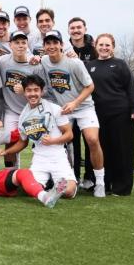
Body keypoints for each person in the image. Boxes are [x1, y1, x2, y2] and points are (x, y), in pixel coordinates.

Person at [36, 30, 106, 197]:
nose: (52, 46)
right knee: (61, 143)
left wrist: (75, 103)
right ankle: (65, 179)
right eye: (48, 43)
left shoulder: (74, 63)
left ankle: (100, 182)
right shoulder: (44, 62)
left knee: (92, 139)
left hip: (83, 106)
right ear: (44, 46)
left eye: (55, 42)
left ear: (61, 44)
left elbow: (90, 86)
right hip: (63, 109)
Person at [86, 33, 134, 196]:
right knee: (103, 150)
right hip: (98, 114)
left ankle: (122, 187)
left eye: (107, 45)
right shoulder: (89, 66)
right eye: (101, 45)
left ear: (113, 47)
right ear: (96, 46)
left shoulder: (120, 64)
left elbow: (130, 86)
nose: (104, 48)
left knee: (123, 150)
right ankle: (105, 184)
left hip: (121, 114)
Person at [10, 75, 78, 202]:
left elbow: (69, 135)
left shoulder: (55, 109)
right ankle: (47, 192)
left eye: (36, 90)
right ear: (24, 92)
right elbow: (23, 142)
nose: (33, 94)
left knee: (68, 191)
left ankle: (58, 189)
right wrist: (6, 152)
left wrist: (53, 141)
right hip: (39, 159)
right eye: (29, 90)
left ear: (42, 91)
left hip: (58, 157)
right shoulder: (23, 117)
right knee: (28, 190)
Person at [0, 30, 39, 167]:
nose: (20, 45)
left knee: (41, 143)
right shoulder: (2, 61)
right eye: (17, 42)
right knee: (10, 143)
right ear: (10, 45)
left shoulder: (35, 64)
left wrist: (26, 91)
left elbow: (44, 91)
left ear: (27, 44)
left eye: (23, 42)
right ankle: (11, 175)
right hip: (11, 110)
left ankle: (42, 174)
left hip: (32, 110)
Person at [65, 16, 97, 189]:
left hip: (88, 102)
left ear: (85, 29)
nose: (76, 30)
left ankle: (90, 177)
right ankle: (74, 176)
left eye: (79, 27)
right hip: (70, 102)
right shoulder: (64, 48)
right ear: (68, 31)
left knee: (91, 140)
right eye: (72, 28)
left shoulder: (94, 50)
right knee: (72, 141)